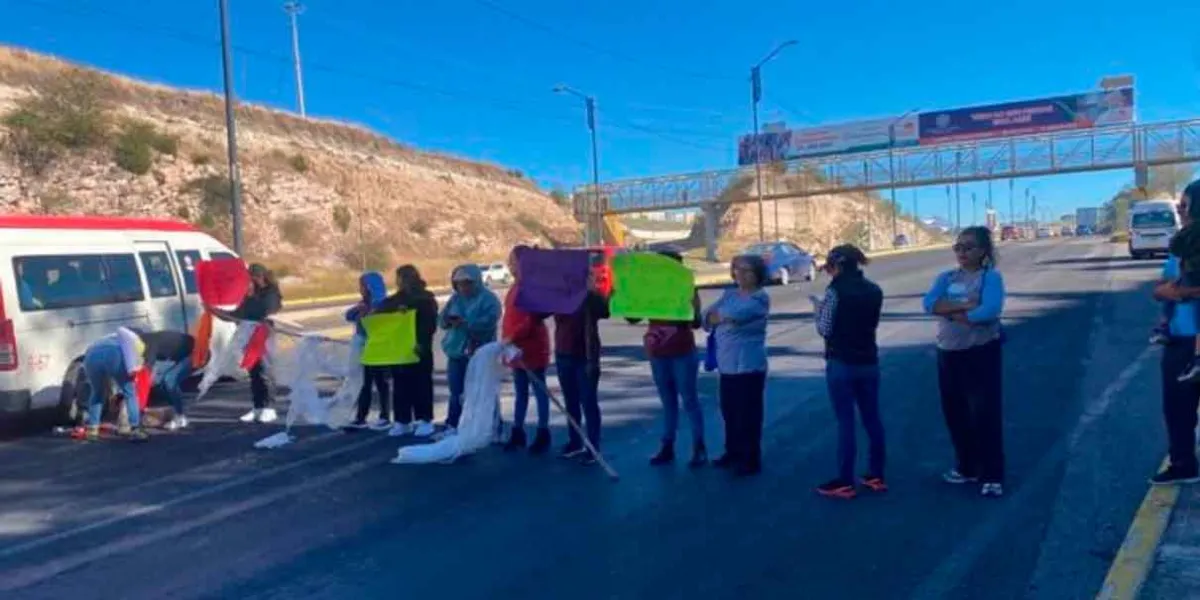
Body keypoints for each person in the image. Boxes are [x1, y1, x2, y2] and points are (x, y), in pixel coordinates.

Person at [922, 226, 1007, 498]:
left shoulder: (990, 278)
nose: (962, 252)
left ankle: (993, 474)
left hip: (980, 353)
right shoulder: (946, 277)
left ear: (983, 250)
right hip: (948, 353)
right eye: (958, 247)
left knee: (984, 414)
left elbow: (989, 310)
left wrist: (955, 312)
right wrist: (967, 305)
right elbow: (929, 304)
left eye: (969, 247)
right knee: (955, 414)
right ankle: (967, 467)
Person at [811, 245, 885, 499]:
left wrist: (817, 310)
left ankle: (845, 480)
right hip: (869, 359)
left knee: (846, 422)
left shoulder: (835, 291)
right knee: (872, 419)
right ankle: (876, 474)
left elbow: (825, 328)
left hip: (841, 361)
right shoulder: (875, 290)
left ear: (838, 265)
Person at [1150, 178, 1200, 485]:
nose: (1180, 212)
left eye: (1184, 206)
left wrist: (1181, 291)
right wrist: (1172, 292)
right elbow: (1159, 288)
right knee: (1177, 410)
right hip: (1180, 342)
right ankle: (1183, 464)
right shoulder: (1180, 245)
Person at [703, 254, 771, 477]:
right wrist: (719, 318)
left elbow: (733, 316)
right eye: (737, 269)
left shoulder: (759, 299)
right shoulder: (729, 294)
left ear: (757, 275)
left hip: (749, 366)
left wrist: (720, 317)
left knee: (748, 415)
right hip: (727, 365)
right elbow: (707, 316)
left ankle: (750, 459)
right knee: (729, 412)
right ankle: (732, 452)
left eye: (746, 270)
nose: (739, 274)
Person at [638, 250, 706, 468]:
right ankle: (668, 446)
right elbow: (633, 315)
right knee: (669, 402)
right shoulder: (650, 289)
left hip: (682, 351)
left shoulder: (687, 289)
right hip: (659, 352)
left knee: (688, 400)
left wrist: (684, 304)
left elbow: (695, 322)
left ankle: (698, 448)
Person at [211, 263, 283, 424]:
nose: (251, 281)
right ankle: (257, 407)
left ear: (261, 276)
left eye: (253, 278)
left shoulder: (271, 294)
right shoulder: (250, 296)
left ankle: (269, 407)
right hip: (248, 335)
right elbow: (237, 314)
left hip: (263, 335)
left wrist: (252, 308)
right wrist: (216, 311)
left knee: (265, 371)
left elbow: (267, 311)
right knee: (254, 372)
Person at [553, 260, 610, 462]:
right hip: (563, 353)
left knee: (588, 401)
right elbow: (538, 311)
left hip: (585, 356)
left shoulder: (590, 298)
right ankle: (575, 441)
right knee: (571, 401)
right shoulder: (559, 297)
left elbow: (606, 310)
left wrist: (592, 290)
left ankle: (593, 446)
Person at [500, 245, 553, 454]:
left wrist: (515, 336)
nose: (510, 266)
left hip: (532, 346)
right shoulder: (514, 287)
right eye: (510, 262)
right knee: (520, 391)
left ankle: (542, 431)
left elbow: (532, 319)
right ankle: (518, 430)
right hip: (514, 347)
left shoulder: (532, 288)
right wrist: (508, 340)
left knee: (539, 391)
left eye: (513, 262)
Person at [379, 265, 440, 438]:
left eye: (404, 278)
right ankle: (402, 420)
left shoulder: (426, 299)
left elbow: (430, 324)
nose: (401, 282)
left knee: (421, 384)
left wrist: (420, 342)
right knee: (400, 384)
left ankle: (424, 419)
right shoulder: (395, 300)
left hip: (419, 349)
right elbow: (382, 312)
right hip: (400, 349)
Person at [440, 264, 501, 433]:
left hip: (480, 352)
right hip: (456, 351)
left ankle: (494, 426)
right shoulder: (455, 299)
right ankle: (453, 424)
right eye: (459, 283)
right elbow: (442, 320)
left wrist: (467, 324)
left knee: (484, 390)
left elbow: (490, 321)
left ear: (476, 281)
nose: (463, 287)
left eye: (467, 282)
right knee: (456, 391)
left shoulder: (489, 299)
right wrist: (448, 321)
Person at [78, 326, 150, 442]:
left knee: (97, 392)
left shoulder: (107, 337)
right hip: (114, 354)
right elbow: (135, 365)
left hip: (91, 356)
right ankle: (135, 429)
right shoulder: (135, 340)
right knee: (130, 393)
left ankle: (92, 429)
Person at [344, 271, 391, 431]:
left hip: (378, 347)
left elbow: (383, 325)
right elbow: (348, 316)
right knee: (365, 383)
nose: (361, 289)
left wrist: (368, 315)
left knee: (381, 382)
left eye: (362, 286)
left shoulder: (383, 304)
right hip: (364, 347)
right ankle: (361, 416)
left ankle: (385, 416)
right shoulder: (363, 303)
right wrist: (359, 309)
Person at [139, 329, 197, 431]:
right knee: (162, 383)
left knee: (169, 380)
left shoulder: (148, 343)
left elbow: (148, 370)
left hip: (197, 352)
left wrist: (139, 398)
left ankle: (180, 417)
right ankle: (176, 411)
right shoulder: (147, 341)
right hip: (184, 354)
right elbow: (147, 366)